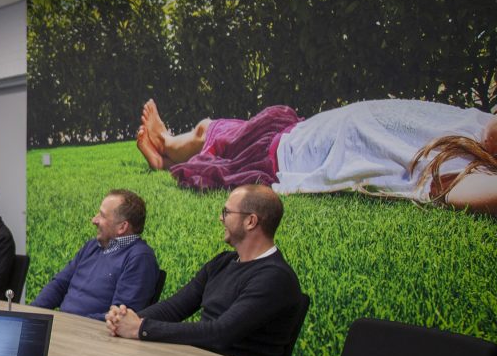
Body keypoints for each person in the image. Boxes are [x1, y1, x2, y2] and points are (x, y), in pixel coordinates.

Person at [136, 98, 497, 217]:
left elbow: (464, 194)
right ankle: (165, 152)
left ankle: (165, 143)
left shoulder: (465, 168)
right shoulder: (478, 124)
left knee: (208, 130)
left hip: (288, 153)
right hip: (301, 131)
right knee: (209, 131)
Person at [106, 184, 304, 356]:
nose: (220, 218)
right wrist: (127, 318)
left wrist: (140, 327)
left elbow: (220, 333)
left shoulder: (275, 278)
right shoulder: (223, 262)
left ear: (250, 221)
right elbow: (176, 307)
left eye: (226, 212)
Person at [31, 189, 160, 319]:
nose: (94, 220)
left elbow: (119, 317)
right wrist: (32, 312)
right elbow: (59, 284)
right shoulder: (92, 246)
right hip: (66, 325)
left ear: (122, 227)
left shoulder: (140, 258)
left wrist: (71, 323)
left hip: (88, 330)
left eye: (102, 216)